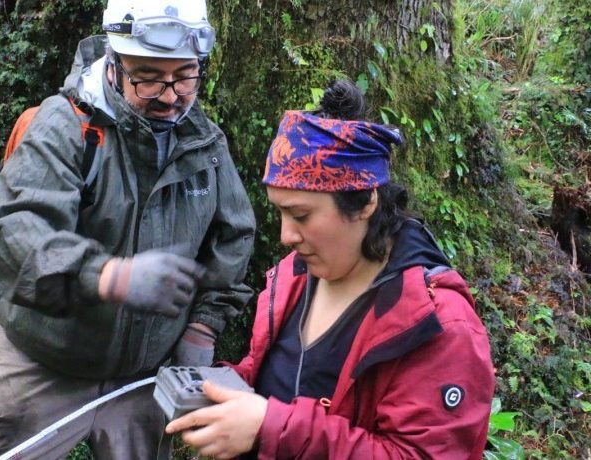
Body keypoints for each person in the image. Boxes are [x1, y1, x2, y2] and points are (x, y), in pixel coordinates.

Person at [0, 0, 255, 458]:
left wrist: (202, 328)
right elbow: (18, 228)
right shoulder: (67, 125)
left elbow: (233, 236)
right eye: (149, 78)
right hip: (42, 365)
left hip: (143, 376)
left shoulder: (204, 141)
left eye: (185, 76)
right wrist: (108, 277)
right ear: (114, 65)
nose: (170, 96)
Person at [166, 80, 495, 459]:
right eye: (280, 212)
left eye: (301, 215)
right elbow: (276, 381)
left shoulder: (437, 323)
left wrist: (270, 427)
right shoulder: (294, 277)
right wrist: (223, 392)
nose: (285, 236)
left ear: (365, 202)